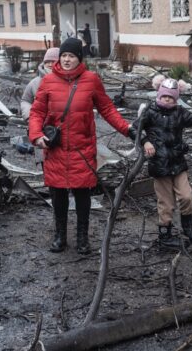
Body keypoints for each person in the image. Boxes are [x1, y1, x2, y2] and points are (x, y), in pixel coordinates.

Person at [28, 38, 132, 255]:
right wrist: (36, 135)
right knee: (58, 195)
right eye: (64, 55)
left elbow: (108, 110)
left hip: (81, 148)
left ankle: (82, 237)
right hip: (55, 148)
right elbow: (37, 112)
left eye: (71, 56)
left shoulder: (91, 80)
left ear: (79, 58)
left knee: (82, 194)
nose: (66, 60)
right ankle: (60, 236)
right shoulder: (48, 82)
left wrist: (128, 129)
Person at [132, 76, 192, 248]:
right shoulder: (149, 111)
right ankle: (165, 235)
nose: (167, 99)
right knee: (166, 204)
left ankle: (188, 227)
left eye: (171, 97)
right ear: (159, 95)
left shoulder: (180, 112)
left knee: (186, 197)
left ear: (176, 98)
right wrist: (145, 141)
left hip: (178, 163)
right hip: (159, 165)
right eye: (164, 96)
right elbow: (133, 129)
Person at [20, 47, 60, 120]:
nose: (50, 64)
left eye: (53, 61)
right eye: (47, 62)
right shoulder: (34, 83)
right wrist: (29, 116)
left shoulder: (67, 81)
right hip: (38, 124)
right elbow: (25, 101)